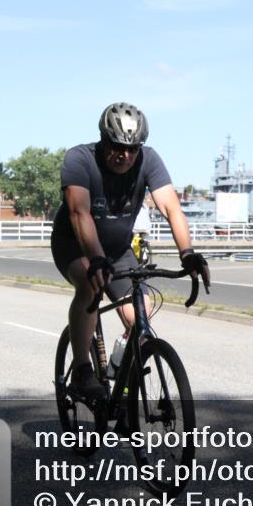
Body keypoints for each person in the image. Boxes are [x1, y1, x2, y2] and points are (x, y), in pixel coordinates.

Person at [51, 102, 209, 402]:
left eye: (133, 148)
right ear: (103, 139)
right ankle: (83, 371)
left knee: (141, 315)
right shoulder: (79, 159)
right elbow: (78, 213)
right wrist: (96, 259)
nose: (125, 155)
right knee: (89, 285)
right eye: (117, 147)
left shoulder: (148, 160)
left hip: (117, 249)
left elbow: (171, 208)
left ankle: (118, 372)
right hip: (73, 244)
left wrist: (187, 253)